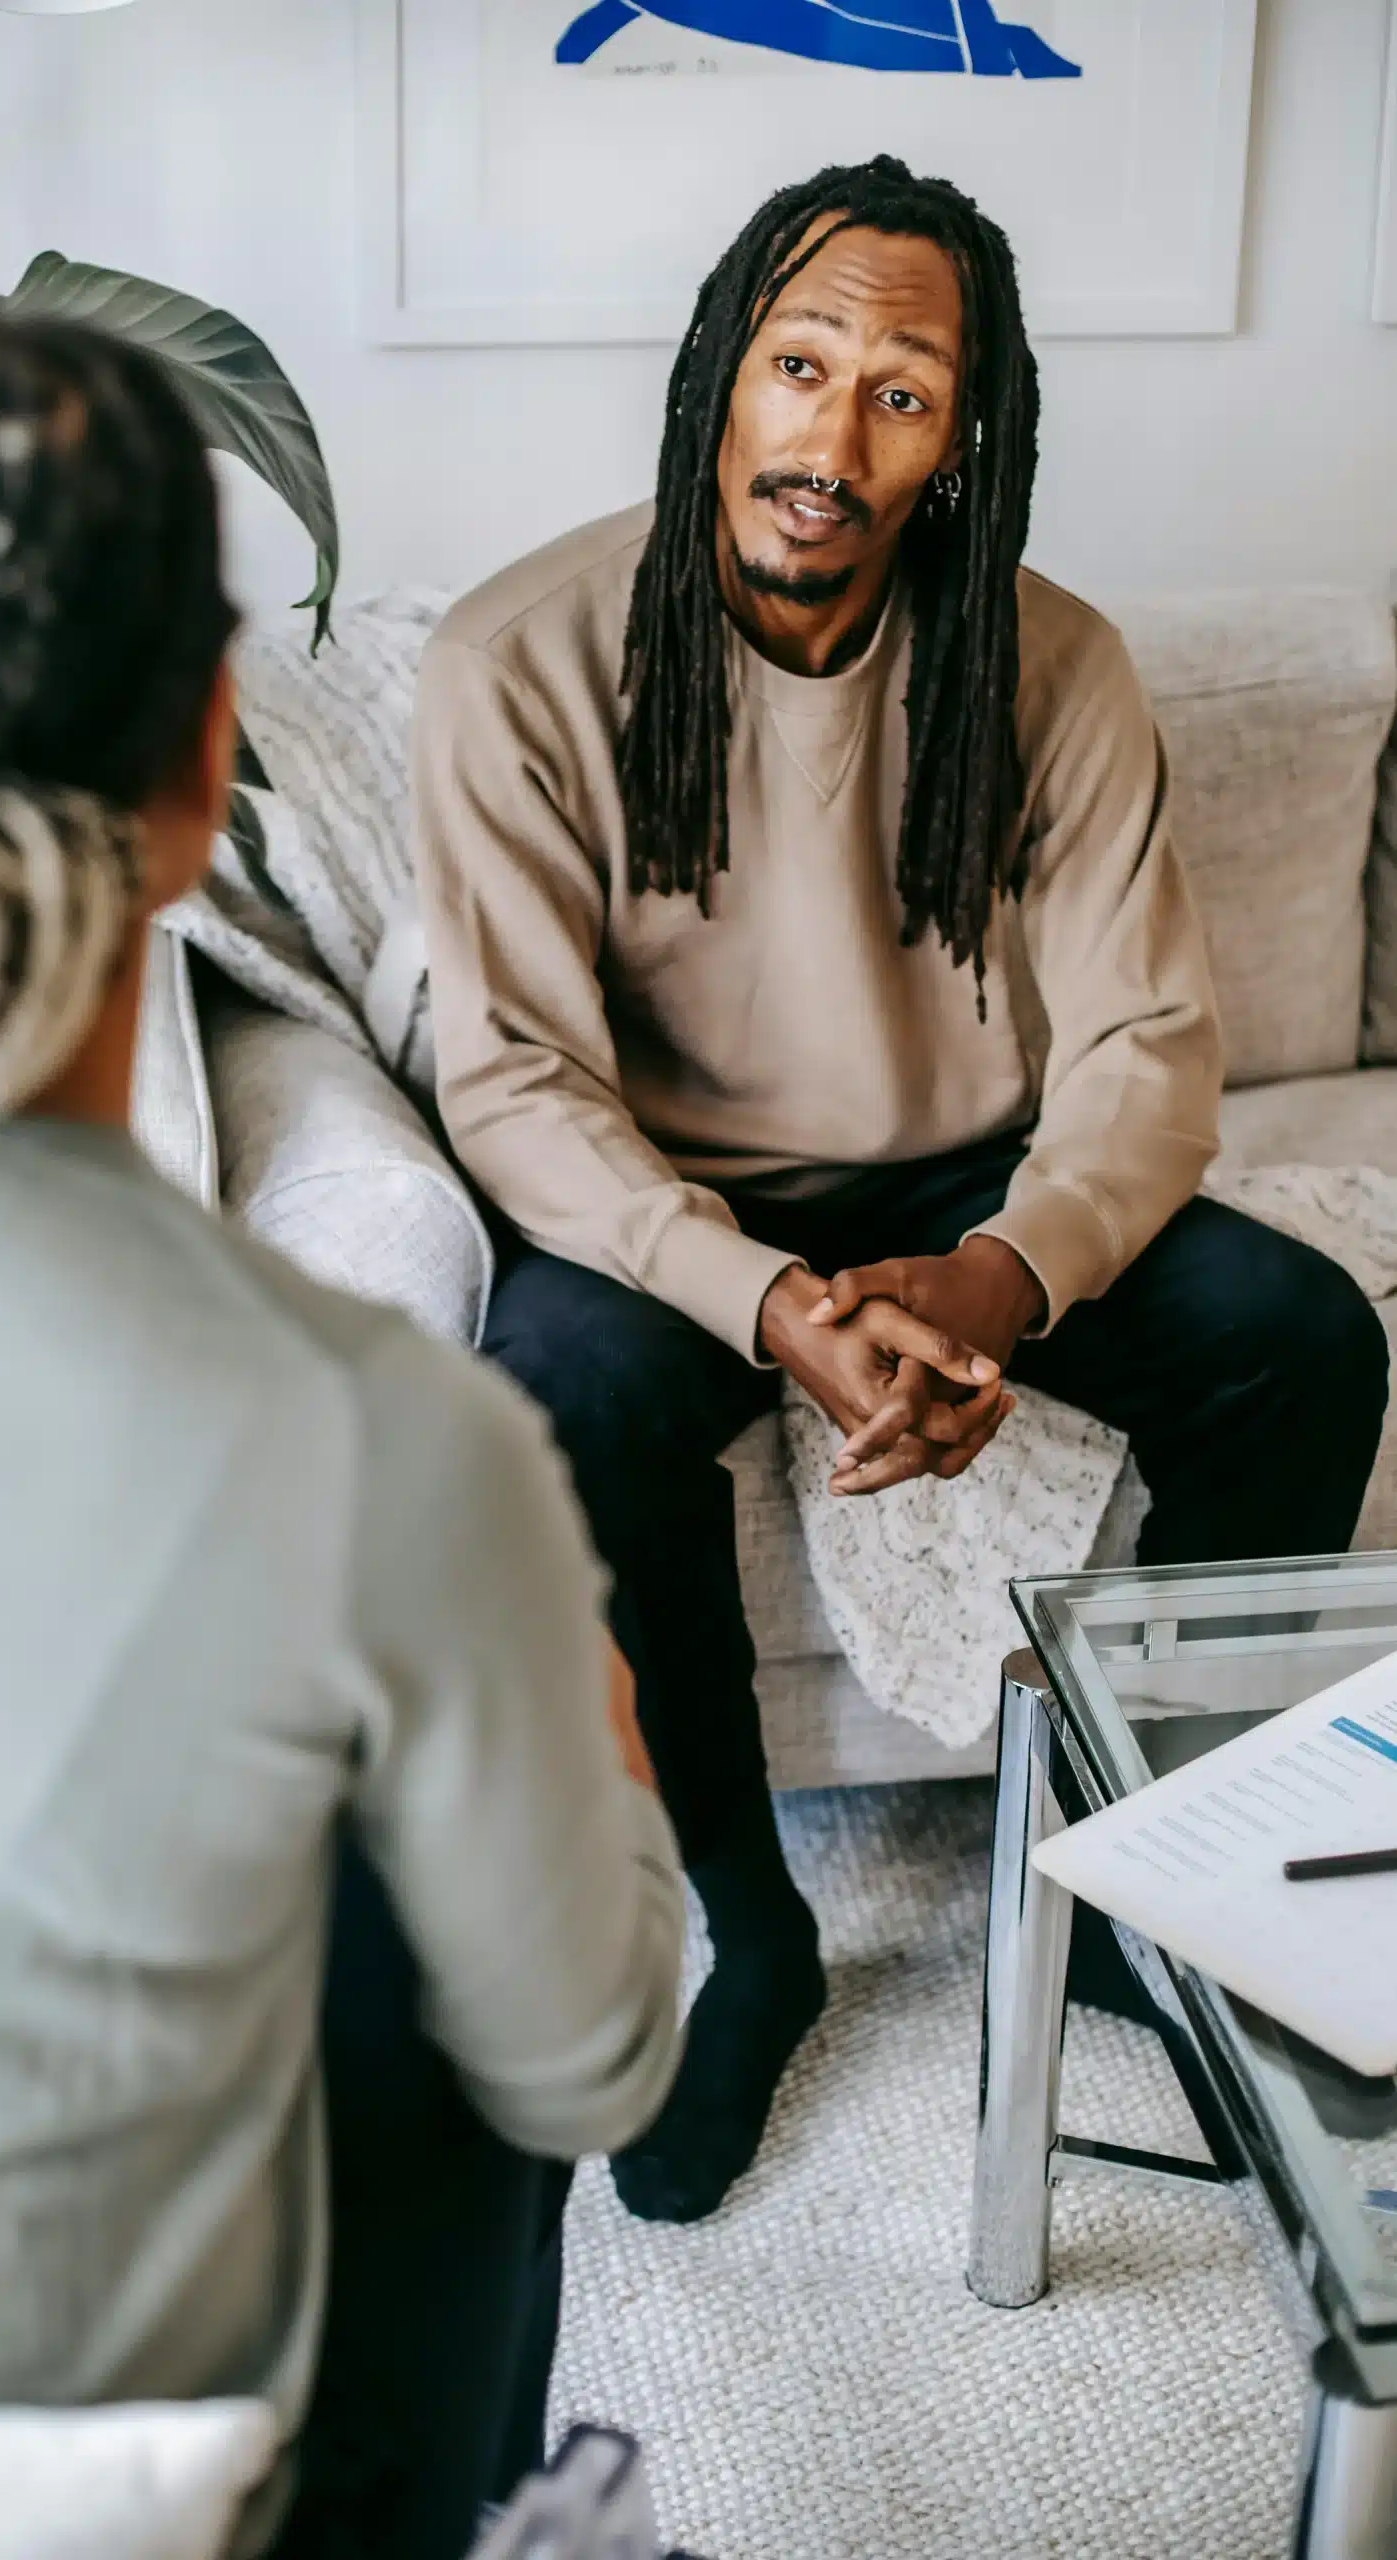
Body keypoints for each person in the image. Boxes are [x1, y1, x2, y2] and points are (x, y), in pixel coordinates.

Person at [0, 313, 684, 2560]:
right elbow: (597, 2061)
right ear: (202, 758)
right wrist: (600, 1735)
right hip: (97, 2504)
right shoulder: (375, 1444)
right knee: (420, 1939)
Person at [412, 154, 1391, 2231]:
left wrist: (990, 1282)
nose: (832, 438)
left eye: (902, 394)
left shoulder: (1050, 664)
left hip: (967, 1176)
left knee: (1304, 1343)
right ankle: (746, 1934)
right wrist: (768, 1299)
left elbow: (1144, 1052)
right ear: (718, 379)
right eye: (799, 364)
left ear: (966, 439)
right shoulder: (519, 658)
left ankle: (1145, 1884)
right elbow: (505, 1077)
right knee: (558, 1399)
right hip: (667, 1194)